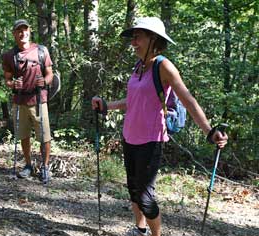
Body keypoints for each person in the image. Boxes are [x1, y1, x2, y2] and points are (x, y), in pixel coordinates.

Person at [92, 17, 228, 236]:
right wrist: (107, 106)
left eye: (138, 37)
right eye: (132, 37)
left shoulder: (163, 66)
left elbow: (188, 100)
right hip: (129, 137)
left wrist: (209, 131)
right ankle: (140, 229)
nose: (133, 42)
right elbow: (132, 101)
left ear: (153, 39)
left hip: (151, 140)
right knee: (134, 191)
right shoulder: (138, 67)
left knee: (146, 198)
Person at [2, 19, 54, 183]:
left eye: (25, 30)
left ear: (29, 31)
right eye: (19, 30)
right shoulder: (9, 55)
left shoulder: (41, 50)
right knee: (23, 135)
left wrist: (44, 81)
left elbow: (50, 74)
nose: (22, 33)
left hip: (39, 100)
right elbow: (7, 80)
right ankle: (28, 165)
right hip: (19, 101)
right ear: (14, 34)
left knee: (44, 136)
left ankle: (45, 167)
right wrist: (13, 84)